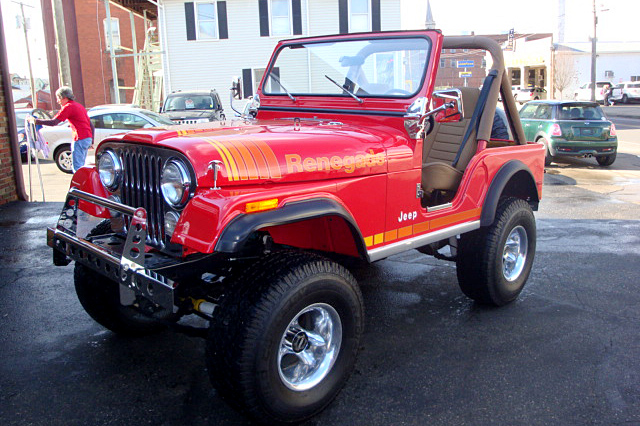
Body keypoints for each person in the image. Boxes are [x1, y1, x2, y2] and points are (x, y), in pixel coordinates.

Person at [28, 86, 93, 173]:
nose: (57, 101)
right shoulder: (79, 106)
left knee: (77, 168)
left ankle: (79, 186)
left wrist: (35, 121)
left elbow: (54, 122)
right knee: (81, 165)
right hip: (87, 138)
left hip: (79, 138)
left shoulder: (68, 107)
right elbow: (91, 125)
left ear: (64, 98)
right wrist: (91, 140)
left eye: (58, 98)